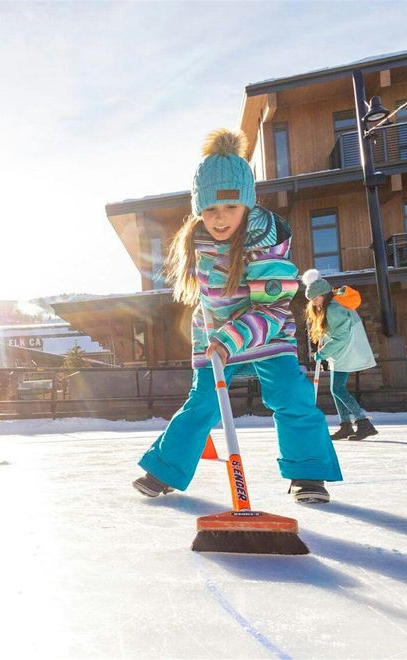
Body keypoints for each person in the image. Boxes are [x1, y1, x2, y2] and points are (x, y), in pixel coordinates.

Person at [132, 128, 342, 504]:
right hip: (215, 337)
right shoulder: (196, 241)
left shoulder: (266, 242)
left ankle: (308, 473)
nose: (220, 217)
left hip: (266, 333)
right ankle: (165, 469)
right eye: (210, 209)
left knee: (291, 395)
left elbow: (272, 308)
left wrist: (231, 339)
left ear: (247, 203)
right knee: (203, 403)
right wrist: (213, 337)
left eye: (230, 206)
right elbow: (207, 301)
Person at [302, 269, 378, 441]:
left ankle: (363, 422)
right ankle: (346, 425)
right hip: (343, 352)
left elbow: (341, 337)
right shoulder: (332, 305)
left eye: (315, 298)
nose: (314, 303)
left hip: (345, 351)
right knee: (336, 388)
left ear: (323, 294)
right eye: (311, 300)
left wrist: (322, 353)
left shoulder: (333, 309)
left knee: (337, 388)